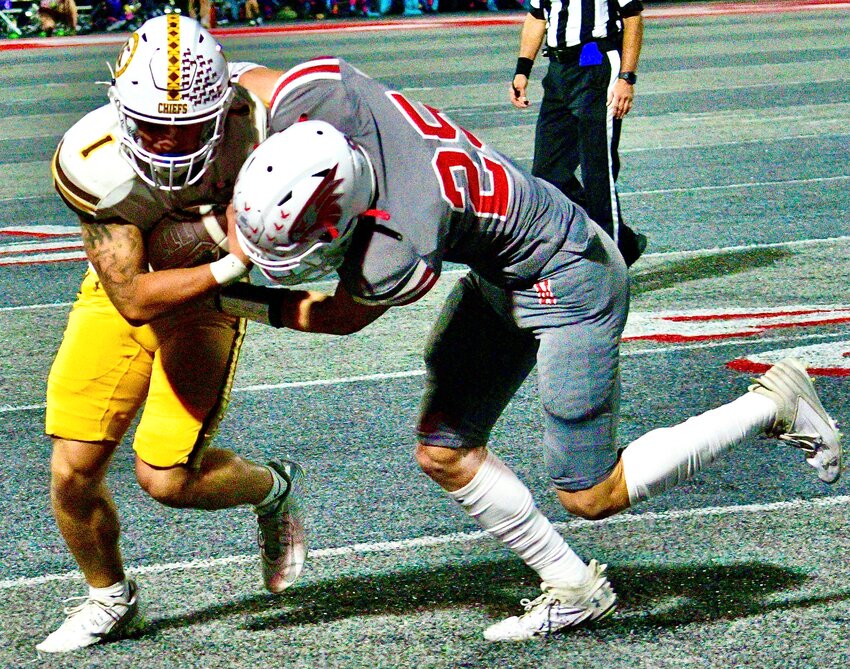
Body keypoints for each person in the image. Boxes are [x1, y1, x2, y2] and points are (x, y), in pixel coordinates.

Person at [218, 57, 841, 641]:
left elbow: (336, 318)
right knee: (444, 450)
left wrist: (222, 297)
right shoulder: (321, 95)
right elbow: (240, 83)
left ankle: (772, 404)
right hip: (508, 266)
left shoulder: (396, 243)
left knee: (588, 491)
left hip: (569, 277)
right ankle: (572, 586)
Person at [38, 16, 306, 654]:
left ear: (222, 108)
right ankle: (110, 596)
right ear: (119, 108)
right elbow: (129, 295)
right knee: (71, 474)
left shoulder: (265, 117)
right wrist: (233, 258)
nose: (168, 142)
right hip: (129, 292)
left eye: (187, 125)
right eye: (153, 124)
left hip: (207, 306)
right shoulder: (93, 160)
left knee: (166, 478)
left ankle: (274, 487)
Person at [510, 0, 646, 266]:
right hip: (559, 68)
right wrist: (522, 70)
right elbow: (537, 16)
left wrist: (626, 77)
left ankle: (611, 266)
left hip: (596, 63)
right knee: (548, 175)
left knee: (598, 172)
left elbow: (632, 17)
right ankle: (624, 242)